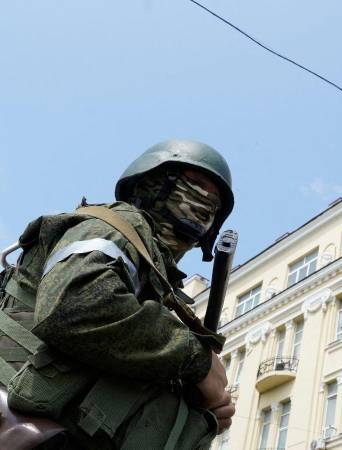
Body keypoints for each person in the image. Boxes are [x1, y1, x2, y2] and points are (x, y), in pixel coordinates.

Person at [0, 139, 235, 449]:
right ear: (148, 182)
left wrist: (198, 408)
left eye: (213, 205)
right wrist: (198, 362)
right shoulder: (114, 226)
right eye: (192, 185)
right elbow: (77, 305)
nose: (202, 203)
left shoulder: (161, 291)